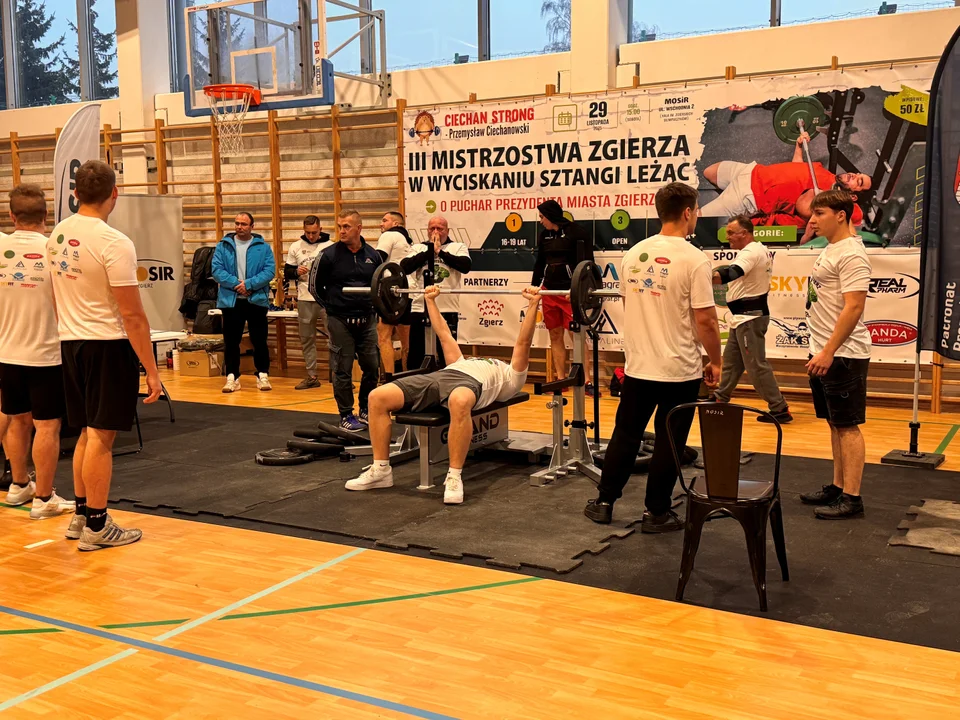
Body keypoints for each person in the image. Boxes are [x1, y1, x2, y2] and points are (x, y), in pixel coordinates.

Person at [584, 182, 722, 531]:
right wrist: (716, 361)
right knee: (669, 441)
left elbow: (630, 304)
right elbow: (706, 320)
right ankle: (656, 513)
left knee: (625, 435)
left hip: (639, 368)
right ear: (688, 212)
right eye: (697, 211)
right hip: (679, 370)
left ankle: (603, 503)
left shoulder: (633, 254)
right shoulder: (695, 259)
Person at [47, 160, 162, 551]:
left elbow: (55, 295)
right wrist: (152, 370)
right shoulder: (114, 242)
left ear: (75, 193)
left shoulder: (58, 233)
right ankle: (97, 525)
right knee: (100, 436)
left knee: (86, 431)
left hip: (71, 343)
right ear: (114, 193)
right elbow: (133, 315)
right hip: (105, 345)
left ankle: (82, 515)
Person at [345, 284, 536, 505]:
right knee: (377, 397)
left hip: (470, 385)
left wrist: (533, 304)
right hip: (442, 376)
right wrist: (430, 301)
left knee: (459, 400)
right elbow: (444, 334)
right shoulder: (461, 361)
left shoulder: (512, 377)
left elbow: (523, 342)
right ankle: (381, 470)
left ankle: (454, 477)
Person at [0, 185, 73, 517]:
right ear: (46, 216)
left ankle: (19, 485)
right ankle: (43, 498)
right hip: (46, 354)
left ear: (11, 216)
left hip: (7, 352)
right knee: (47, 426)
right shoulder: (54, 249)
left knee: (17, 420)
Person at [799, 190, 871, 520]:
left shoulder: (852, 254)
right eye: (812, 213)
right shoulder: (832, 248)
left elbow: (854, 306)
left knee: (847, 427)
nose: (812, 220)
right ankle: (838, 485)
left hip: (843, 354)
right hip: (824, 351)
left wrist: (829, 351)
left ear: (841, 215)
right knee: (834, 422)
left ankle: (852, 498)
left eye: (820, 213)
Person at [700, 131, 872, 242]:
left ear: (853, 196)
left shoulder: (828, 201)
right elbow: (797, 167)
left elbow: (803, 208)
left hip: (750, 194)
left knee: (699, 222)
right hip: (753, 170)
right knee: (709, 172)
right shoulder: (828, 175)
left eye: (859, 182)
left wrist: (817, 195)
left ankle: (729, 208)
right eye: (858, 174)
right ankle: (726, 203)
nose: (854, 175)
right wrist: (799, 147)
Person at [712, 214, 792, 423]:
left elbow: (732, 273)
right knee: (731, 362)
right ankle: (720, 398)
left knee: (756, 366)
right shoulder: (758, 249)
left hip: (749, 319)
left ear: (745, 233)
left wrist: (701, 277)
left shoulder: (750, 252)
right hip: (742, 318)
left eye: (731, 233)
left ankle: (779, 408)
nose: (727, 237)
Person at [313, 209, 382, 431]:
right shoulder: (328, 255)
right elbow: (315, 287)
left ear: (359, 228)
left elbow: (380, 287)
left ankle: (366, 409)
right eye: (339, 227)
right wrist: (333, 309)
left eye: (346, 227)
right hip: (340, 320)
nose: (341, 231)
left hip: (367, 320)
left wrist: (374, 310)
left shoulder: (374, 255)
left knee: (372, 367)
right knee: (342, 369)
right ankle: (346, 414)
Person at [532, 200, 598, 394]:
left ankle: (586, 381)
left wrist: (579, 289)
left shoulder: (577, 233)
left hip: (571, 292)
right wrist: (534, 286)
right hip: (549, 291)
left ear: (551, 216)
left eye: (542, 217)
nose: (540, 221)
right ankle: (561, 380)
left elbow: (587, 263)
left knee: (577, 335)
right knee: (555, 335)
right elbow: (540, 263)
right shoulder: (544, 235)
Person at [213, 212, 276, 393]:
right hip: (231, 301)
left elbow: (269, 271)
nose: (239, 227)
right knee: (231, 341)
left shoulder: (263, 247)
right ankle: (232, 377)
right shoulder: (223, 246)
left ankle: (262, 375)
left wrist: (249, 284)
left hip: (256, 300)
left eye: (244, 224)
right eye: (237, 223)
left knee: (259, 340)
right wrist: (237, 285)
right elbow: (217, 270)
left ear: (252, 226)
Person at [403, 215, 471, 369]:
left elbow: (465, 266)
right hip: (420, 308)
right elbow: (405, 266)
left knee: (448, 354)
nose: (435, 232)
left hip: (447, 309)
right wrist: (429, 251)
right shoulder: (418, 248)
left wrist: (439, 252)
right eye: (432, 228)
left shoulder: (457, 247)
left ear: (447, 230)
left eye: (439, 228)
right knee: (416, 356)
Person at [284, 215, 332, 390]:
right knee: (306, 338)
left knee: (335, 337)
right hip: (305, 298)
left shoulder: (330, 246)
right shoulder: (296, 246)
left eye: (314, 232)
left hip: (326, 299)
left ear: (320, 229)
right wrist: (296, 272)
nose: (311, 236)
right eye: (308, 233)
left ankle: (338, 375)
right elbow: (287, 272)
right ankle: (312, 376)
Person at [375, 211, 415, 376]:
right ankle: (407, 377)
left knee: (383, 336)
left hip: (392, 292)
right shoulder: (408, 241)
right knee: (405, 342)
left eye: (385, 220)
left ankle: (389, 378)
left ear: (395, 224)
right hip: (408, 291)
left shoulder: (389, 235)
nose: (381, 224)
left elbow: (378, 259)